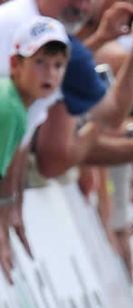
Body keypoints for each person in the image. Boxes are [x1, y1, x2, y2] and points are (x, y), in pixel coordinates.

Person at [0, 16, 70, 281]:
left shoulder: (16, 103)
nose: (50, 73)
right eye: (39, 62)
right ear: (15, 64)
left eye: (58, 65)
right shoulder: (9, 108)